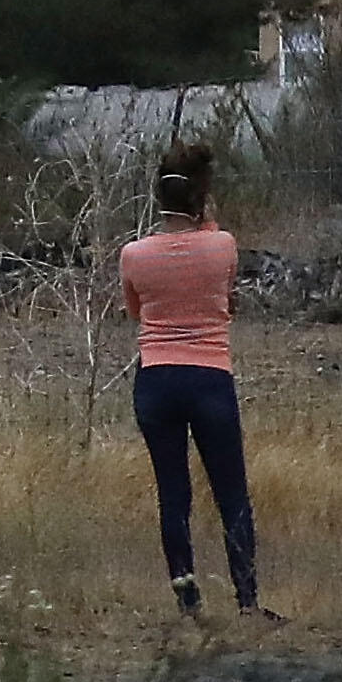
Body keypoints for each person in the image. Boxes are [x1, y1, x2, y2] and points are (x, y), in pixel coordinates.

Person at [119, 143, 267, 620]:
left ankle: (188, 599)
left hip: (156, 378)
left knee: (173, 491)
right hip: (209, 376)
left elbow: (136, 312)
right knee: (231, 491)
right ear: (203, 202)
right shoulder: (222, 245)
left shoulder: (134, 254)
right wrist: (208, 222)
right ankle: (247, 600)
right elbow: (229, 303)